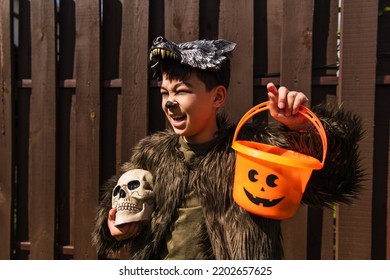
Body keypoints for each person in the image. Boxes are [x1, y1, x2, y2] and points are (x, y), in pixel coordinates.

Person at [93, 36, 363, 259]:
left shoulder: (255, 151)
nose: (169, 102)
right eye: (165, 92)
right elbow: (116, 207)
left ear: (218, 97)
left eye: (182, 91)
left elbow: (333, 182)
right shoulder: (151, 153)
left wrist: (302, 128)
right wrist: (115, 226)